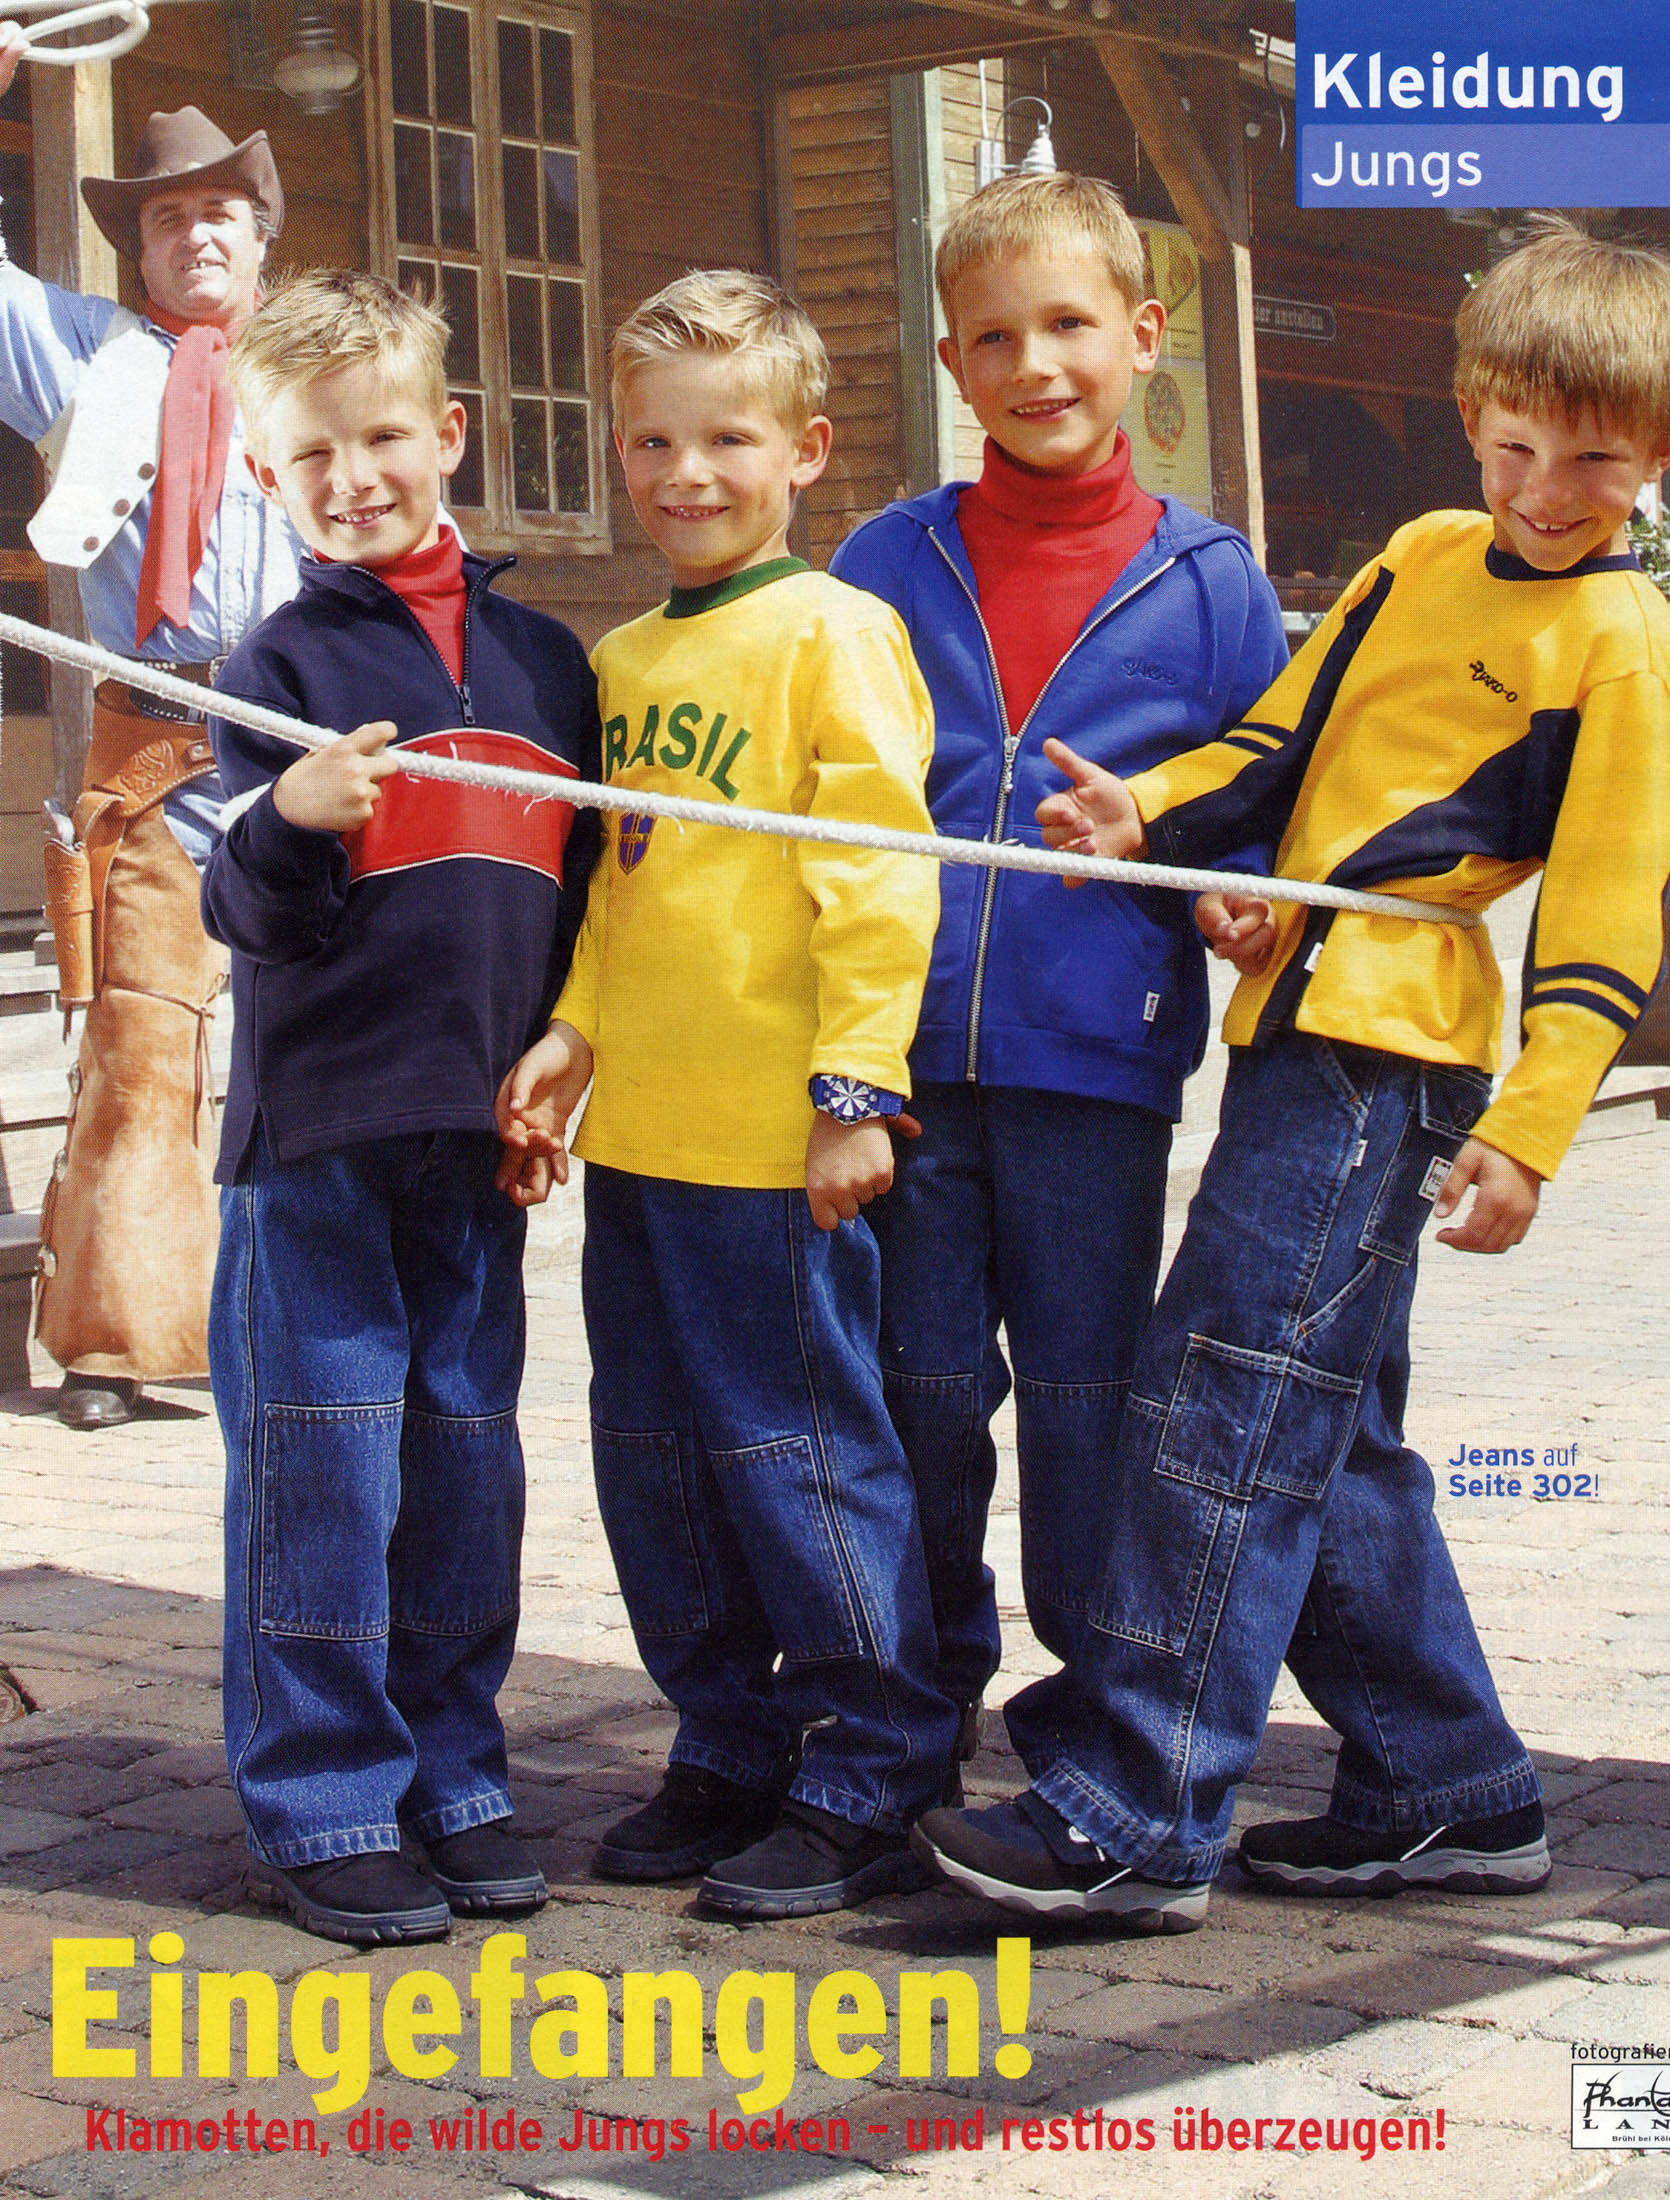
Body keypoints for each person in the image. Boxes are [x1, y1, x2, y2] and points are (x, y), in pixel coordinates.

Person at [911, 218, 1670, 1931]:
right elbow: (1282, 741)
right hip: (1286, 1032)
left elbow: (1604, 924)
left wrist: (1529, 1133)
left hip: (1387, 1062)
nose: (1547, 487)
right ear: (1471, 410)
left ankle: (1138, 1806)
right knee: (1326, 1431)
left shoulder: (1624, 636)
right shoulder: (1416, 552)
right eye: (1516, 444)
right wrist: (1149, 821)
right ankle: (1446, 1783)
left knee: (1224, 1407)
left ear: (1656, 458)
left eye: (1597, 460)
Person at [498, 269, 959, 1920]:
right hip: (644, 1142)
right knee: (657, 1454)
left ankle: (875, 1758)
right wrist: (570, 1035)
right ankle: (729, 1736)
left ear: (805, 450)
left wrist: (853, 1090)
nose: (684, 474)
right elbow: (623, 893)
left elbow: (878, 877)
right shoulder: (622, 660)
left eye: (725, 439)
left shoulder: (835, 632)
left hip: (777, 1144)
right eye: (651, 442)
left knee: (798, 1453)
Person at [828, 173, 1286, 1731]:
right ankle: (907, 1708)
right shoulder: (879, 565)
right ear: (952, 363)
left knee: (1093, 1399)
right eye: (995, 336)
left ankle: (1102, 1709)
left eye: (1070, 325)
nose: (1036, 365)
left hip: (1096, 1067)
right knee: (921, 1396)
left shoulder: (1212, 581)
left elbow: (1258, 800)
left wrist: (1220, 880)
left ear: (1143, 338)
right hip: (894, 1074)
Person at [201, 269, 601, 1945]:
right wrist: (289, 811)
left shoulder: (542, 660)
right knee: (322, 1469)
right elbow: (247, 909)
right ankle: (325, 1792)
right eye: (311, 457)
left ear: (448, 432)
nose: (355, 477)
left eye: (383, 436)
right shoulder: (275, 657)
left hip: (474, 1135)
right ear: (268, 482)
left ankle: (453, 1767)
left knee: (461, 1464)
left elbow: (578, 898)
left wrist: (561, 1050)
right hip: (320, 1144)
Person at [0, 34, 302, 1429]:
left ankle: (304, 1326)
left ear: (259, 236)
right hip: (157, 735)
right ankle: (119, 1342)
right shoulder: (86, 353)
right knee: (140, 1033)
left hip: (305, 737)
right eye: (169, 217)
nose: (196, 236)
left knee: (318, 1039)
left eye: (218, 214)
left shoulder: (314, 368)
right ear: (139, 245)